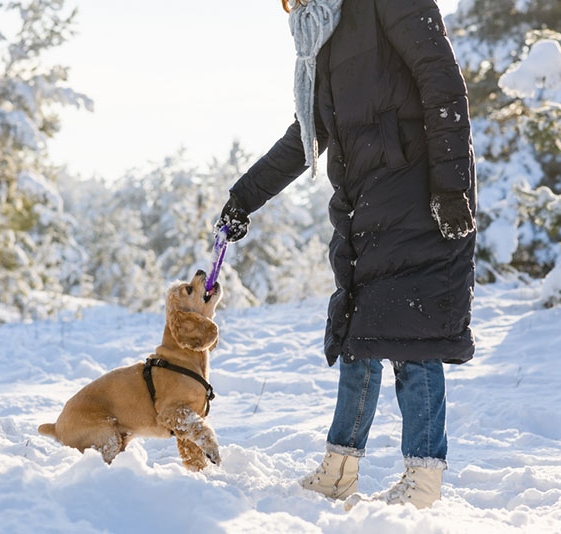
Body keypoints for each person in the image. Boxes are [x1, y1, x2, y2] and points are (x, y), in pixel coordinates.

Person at [215, 0, 476, 510]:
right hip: (364, 207)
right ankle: (340, 468)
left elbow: (444, 86)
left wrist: (449, 189)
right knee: (359, 338)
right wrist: (243, 196)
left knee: (413, 340)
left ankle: (423, 482)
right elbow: (308, 134)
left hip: (420, 196)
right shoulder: (324, 37)